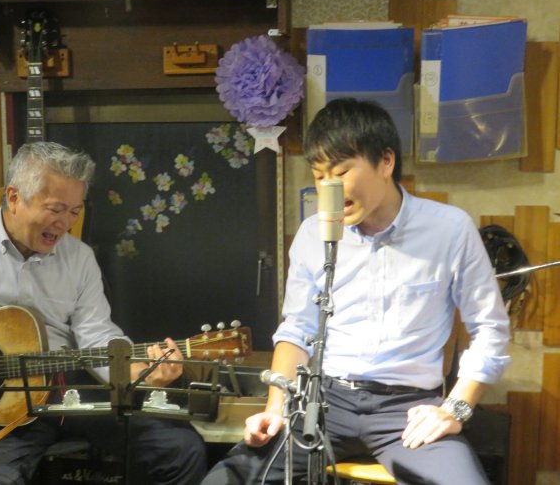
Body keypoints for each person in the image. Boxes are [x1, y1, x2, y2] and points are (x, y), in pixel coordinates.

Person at [202, 98, 511, 484]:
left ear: (386, 162)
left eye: (341, 172)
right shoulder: (314, 234)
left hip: (407, 408)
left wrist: (455, 409)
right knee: (226, 479)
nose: (328, 188)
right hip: (325, 400)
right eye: (319, 176)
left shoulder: (450, 230)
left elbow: (490, 329)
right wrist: (276, 408)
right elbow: (297, 330)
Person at [0, 141, 207, 484]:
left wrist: (139, 372)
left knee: (182, 449)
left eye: (74, 211)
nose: (64, 224)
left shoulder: (79, 258)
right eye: (55, 209)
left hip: (71, 389)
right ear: (14, 197)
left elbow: (96, 334)